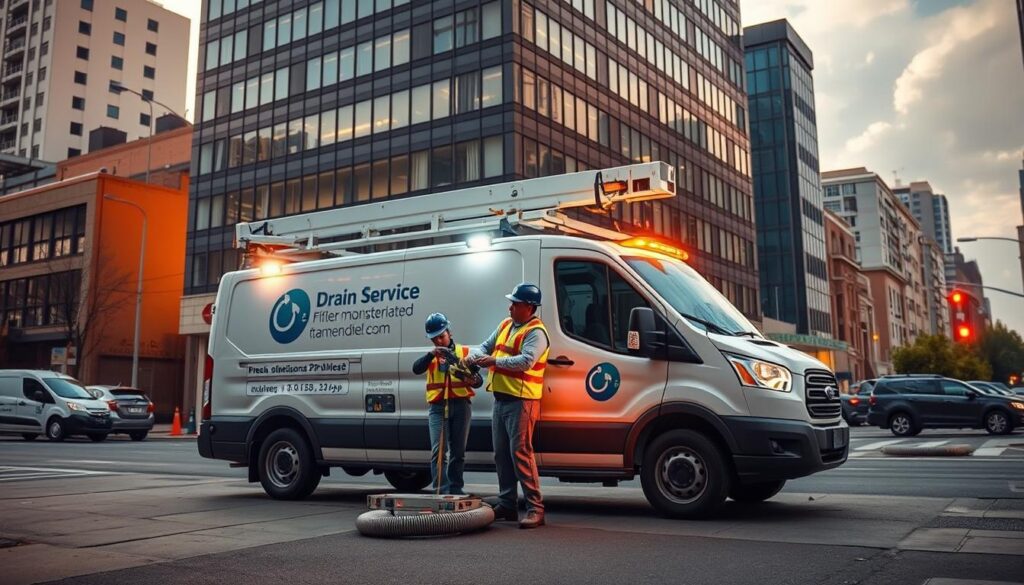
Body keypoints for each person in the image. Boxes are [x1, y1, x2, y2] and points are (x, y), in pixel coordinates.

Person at [465, 283, 549, 529]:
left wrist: (492, 361)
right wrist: (473, 356)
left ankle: (536, 509)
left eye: (515, 304)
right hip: (501, 400)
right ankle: (507, 504)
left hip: (522, 401)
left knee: (520, 454)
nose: (510, 307)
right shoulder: (506, 325)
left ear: (529, 307)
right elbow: (485, 345)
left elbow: (526, 361)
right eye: (511, 303)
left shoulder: (536, 332)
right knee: (501, 455)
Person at [411, 312, 482, 495]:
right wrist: (430, 355)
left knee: (458, 452)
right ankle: (440, 491)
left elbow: (478, 381)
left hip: (461, 405)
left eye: (441, 336)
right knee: (439, 451)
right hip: (438, 407)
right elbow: (416, 368)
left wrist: (468, 377)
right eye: (434, 339)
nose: (439, 341)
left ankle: (456, 490)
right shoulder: (432, 356)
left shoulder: (464, 352)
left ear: (449, 332)